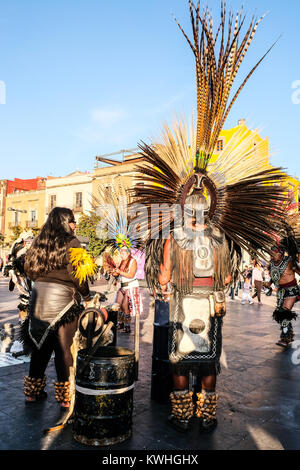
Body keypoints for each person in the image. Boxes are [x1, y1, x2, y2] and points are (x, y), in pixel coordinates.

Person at [20, 207, 94, 407]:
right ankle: (65, 398)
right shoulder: (72, 242)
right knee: (64, 349)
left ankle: (32, 393)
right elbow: (79, 275)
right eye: (72, 221)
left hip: (39, 299)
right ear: (64, 222)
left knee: (40, 346)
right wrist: (87, 296)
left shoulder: (37, 242)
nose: (75, 225)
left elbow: (28, 269)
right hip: (63, 301)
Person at [266, 243, 300, 347]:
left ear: (280, 254)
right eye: (271, 254)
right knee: (280, 313)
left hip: (291, 290)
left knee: (285, 311)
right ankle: (289, 333)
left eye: (274, 254)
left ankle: (285, 337)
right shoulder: (271, 264)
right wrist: (269, 283)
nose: (272, 256)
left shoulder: (289, 262)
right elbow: (275, 275)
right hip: (280, 291)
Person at [112, 246, 142, 334]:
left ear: (128, 253)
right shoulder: (121, 262)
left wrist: (120, 272)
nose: (121, 254)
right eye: (120, 253)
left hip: (131, 286)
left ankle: (127, 326)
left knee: (125, 305)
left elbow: (131, 275)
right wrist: (114, 273)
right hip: (123, 286)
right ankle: (120, 323)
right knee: (118, 304)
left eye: (123, 253)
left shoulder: (133, 261)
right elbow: (117, 275)